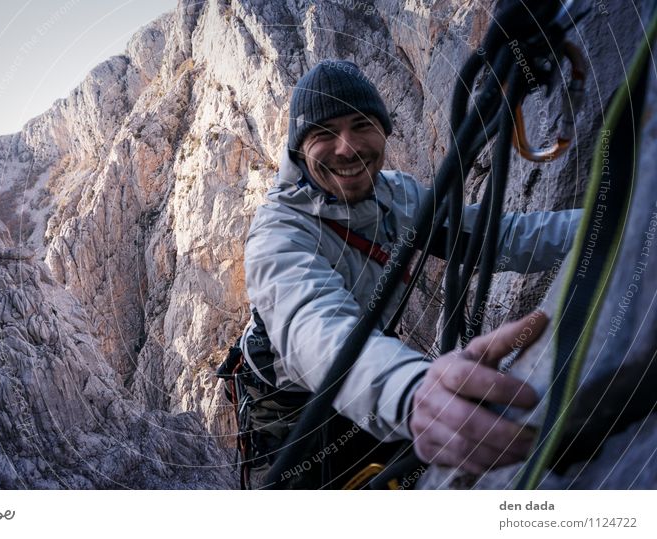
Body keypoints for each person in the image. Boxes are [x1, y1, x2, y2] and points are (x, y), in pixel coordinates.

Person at [237, 59, 580, 488]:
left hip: (378, 372)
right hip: (294, 411)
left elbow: (495, 237)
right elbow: (318, 335)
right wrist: (415, 390)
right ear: (298, 151)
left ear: (384, 132)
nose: (346, 147)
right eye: (323, 133)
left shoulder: (395, 197)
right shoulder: (278, 235)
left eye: (361, 125)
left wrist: (611, 220)